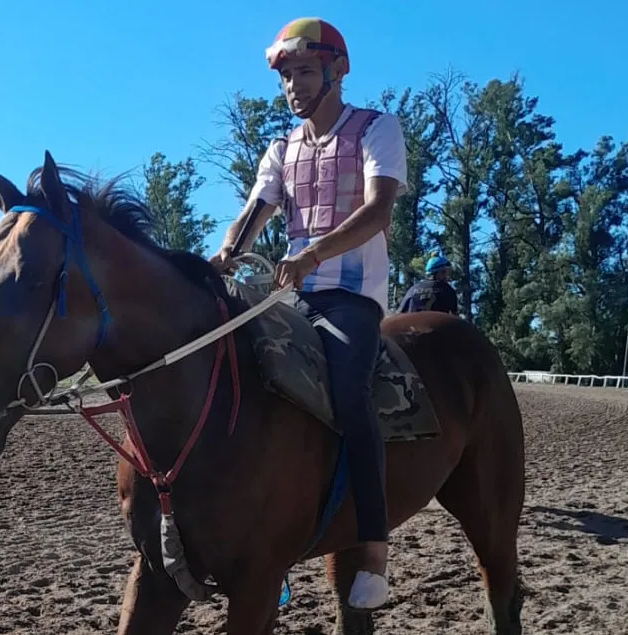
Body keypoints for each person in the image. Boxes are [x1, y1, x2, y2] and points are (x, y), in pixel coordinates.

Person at [209, 17, 407, 610]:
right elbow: (253, 214)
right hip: (289, 293)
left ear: (336, 71)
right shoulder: (281, 148)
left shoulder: (377, 129)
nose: (292, 86)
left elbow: (378, 213)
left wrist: (314, 253)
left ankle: (374, 546)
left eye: (302, 72)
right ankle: (271, 533)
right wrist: (226, 253)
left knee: (349, 391)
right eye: (286, 76)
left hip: (350, 295)